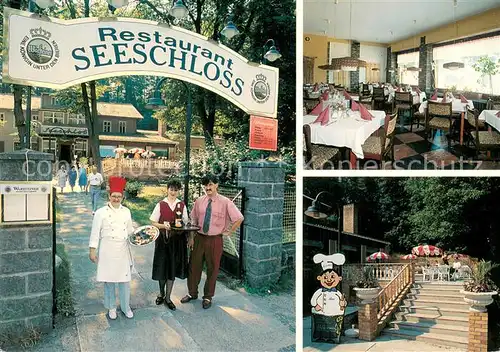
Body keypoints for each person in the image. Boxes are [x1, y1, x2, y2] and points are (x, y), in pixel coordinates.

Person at [181, 174, 244, 309]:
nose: (208, 187)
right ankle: (192, 293)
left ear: (216, 185)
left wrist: (230, 231)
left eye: (210, 184)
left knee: (213, 268)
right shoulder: (199, 201)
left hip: (215, 240)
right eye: (206, 185)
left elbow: (239, 218)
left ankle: (208, 297)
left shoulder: (226, 202)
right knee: (193, 267)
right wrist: (191, 238)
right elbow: (193, 221)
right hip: (199, 238)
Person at [89, 176, 135, 320]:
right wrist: (92, 250)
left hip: (122, 249)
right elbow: (95, 232)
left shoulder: (126, 211)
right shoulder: (100, 212)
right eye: (114, 196)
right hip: (107, 249)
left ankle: (126, 307)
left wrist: (139, 236)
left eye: (119, 196)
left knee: (124, 280)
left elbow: (130, 230)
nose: (116, 199)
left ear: (122, 197)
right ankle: (112, 308)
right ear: (109, 196)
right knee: (109, 280)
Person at [149, 179, 189, 310]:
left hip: (176, 242)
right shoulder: (161, 204)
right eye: (171, 189)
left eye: (176, 190)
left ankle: (168, 297)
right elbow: (152, 221)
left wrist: (180, 227)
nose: (173, 192)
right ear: (167, 190)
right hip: (162, 241)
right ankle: (161, 294)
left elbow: (185, 222)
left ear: (178, 191)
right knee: (162, 267)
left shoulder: (181, 205)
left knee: (172, 268)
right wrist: (163, 225)